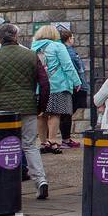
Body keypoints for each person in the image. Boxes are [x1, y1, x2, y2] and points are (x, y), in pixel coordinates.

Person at [0, 22, 51, 199]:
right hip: (28, 107)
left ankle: (5, 185)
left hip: (2, 110)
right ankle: (40, 181)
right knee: (29, 145)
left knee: (3, 146)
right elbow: (44, 83)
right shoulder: (31, 55)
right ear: (16, 37)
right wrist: (41, 107)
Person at [30, 24, 80, 153]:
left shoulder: (33, 47)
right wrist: (76, 81)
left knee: (41, 115)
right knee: (54, 113)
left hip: (38, 87)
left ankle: (43, 143)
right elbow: (67, 65)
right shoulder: (58, 46)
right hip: (57, 85)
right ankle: (52, 141)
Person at [55, 26, 87, 148]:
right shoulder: (68, 51)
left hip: (73, 85)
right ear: (69, 38)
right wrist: (77, 83)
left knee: (67, 113)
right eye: (72, 37)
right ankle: (66, 140)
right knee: (66, 113)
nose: (73, 39)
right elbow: (72, 68)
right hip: (74, 86)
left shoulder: (66, 50)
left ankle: (65, 139)